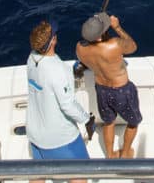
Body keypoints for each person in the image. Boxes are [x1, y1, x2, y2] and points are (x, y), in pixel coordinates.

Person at [26, 19, 93, 182]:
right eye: (54, 34)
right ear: (52, 41)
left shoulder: (31, 58)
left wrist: (70, 72)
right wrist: (86, 119)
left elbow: (49, 79)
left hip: (35, 135)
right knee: (79, 174)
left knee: (38, 175)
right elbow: (67, 105)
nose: (56, 35)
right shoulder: (58, 71)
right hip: (60, 138)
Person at [75, 12, 141, 158]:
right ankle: (124, 153)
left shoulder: (80, 48)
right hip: (123, 91)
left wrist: (97, 27)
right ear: (99, 36)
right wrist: (117, 27)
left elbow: (87, 56)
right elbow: (133, 46)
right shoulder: (114, 45)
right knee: (134, 122)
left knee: (108, 122)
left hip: (102, 90)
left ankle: (110, 155)